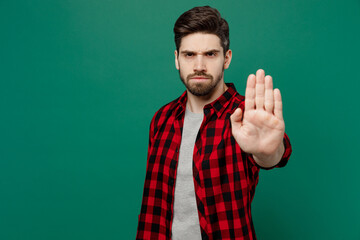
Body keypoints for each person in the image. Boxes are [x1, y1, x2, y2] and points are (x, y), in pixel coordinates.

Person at [136, 6, 292, 240]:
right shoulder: (162, 119)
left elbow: (274, 154)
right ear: (177, 59)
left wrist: (270, 151)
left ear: (226, 58)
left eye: (210, 54)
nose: (199, 66)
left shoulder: (245, 115)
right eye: (189, 54)